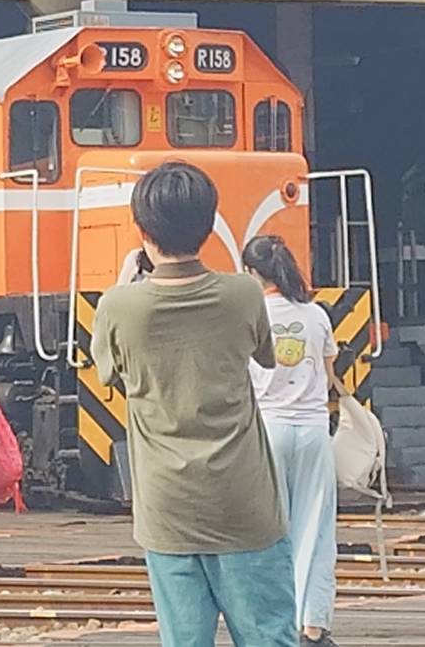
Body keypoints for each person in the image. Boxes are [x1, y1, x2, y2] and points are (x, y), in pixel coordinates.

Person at [93, 161, 298, 647]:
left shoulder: (119, 306)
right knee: (270, 637)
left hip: (167, 510)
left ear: (142, 230)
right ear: (210, 227)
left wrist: (126, 279)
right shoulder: (245, 293)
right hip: (244, 504)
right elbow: (266, 357)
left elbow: (107, 371)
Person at [244, 235, 341, 647]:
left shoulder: (251, 315)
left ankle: (274, 623)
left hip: (268, 429)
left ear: (252, 273)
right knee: (316, 530)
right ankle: (312, 625)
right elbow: (330, 370)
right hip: (314, 430)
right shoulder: (316, 315)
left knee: (271, 531)